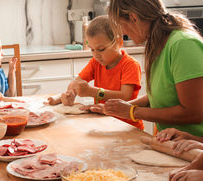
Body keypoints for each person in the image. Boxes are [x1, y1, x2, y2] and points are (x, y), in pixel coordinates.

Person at [102, 0, 203, 135]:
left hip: (194, 147)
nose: (123, 32)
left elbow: (193, 112)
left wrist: (133, 112)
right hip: (171, 142)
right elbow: (158, 96)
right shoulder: (157, 43)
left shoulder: (183, 44)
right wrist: (115, 108)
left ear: (133, 18)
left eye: (121, 25)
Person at [62, 15, 143, 129]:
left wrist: (94, 92)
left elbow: (126, 96)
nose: (96, 55)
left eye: (101, 49)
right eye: (92, 49)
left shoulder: (130, 65)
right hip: (103, 123)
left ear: (119, 43)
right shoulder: (96, 62)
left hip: (127, 126)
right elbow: (76, 82)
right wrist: (71, 93)